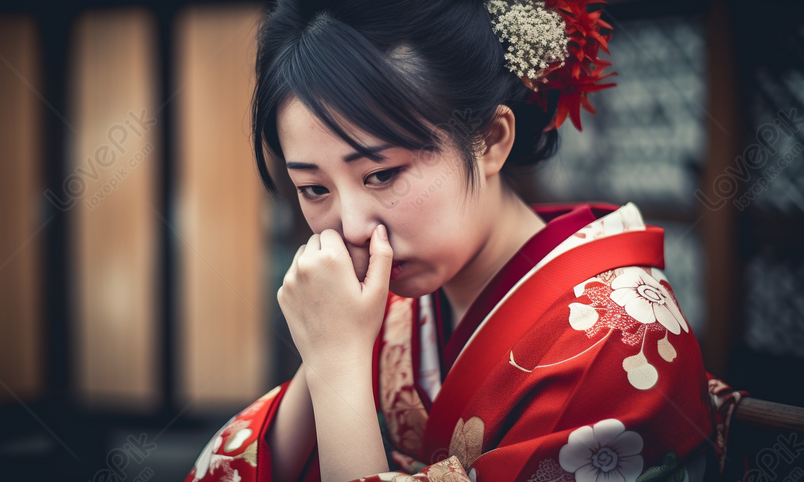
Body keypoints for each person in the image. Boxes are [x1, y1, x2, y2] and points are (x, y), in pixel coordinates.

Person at [182, 1, 744, 481]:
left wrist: (336, 363)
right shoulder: (382, 313)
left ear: (491, 140)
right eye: (312, 187)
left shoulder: (623, 338)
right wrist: (328, 360)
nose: (350, 228)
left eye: (381, 174)